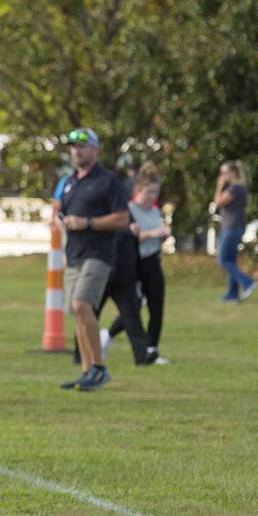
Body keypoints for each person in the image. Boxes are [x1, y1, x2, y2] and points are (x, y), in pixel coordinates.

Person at [56, 128, 130, 391]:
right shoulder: (69, 182)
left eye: (83, 146)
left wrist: (88, 222)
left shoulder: (108, 181)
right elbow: (62, 213)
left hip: (98, 254)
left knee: (81, 305)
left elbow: (122, 218)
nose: (77, 150)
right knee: (76, 313)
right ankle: (87, 371)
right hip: (74, 253)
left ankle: (99, 367)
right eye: (74, 146)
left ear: (95, 149)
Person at [104, 167, 170, 364]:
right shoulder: (129, 211)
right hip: (133, 263)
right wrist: (151, 234)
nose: (152, 196)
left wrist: (163, 236)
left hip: (152, 261)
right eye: (149, 191)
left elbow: (156, 235)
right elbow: (129, 237)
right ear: (138, 190)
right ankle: (108, 335)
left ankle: (152, 348)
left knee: (156, 305)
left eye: (155, 192)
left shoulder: (156, 211)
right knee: (133, 308)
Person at [214, 160, 256, 303]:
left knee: (223, 260)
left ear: (233, 173)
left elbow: (218, 202)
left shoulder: (236, 188)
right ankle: (232, 293)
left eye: (224, 173)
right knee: (230, 260)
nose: (222, 176)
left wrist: (219, 186)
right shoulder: (234, 187)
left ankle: (248, 282)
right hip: (231, 226)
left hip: (232, 227)